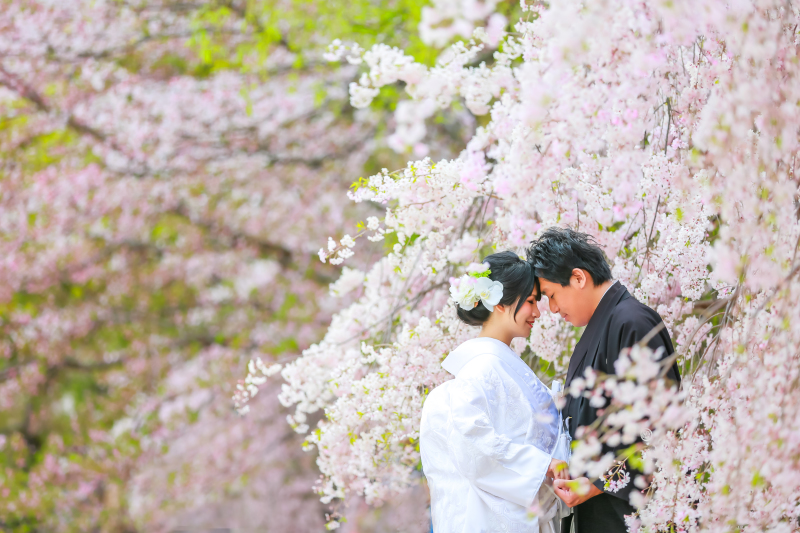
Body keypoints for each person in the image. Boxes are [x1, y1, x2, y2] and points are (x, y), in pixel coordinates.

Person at [526, 227, 681, 533]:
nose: (553, 309)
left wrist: (598, 483)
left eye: (553, 295)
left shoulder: (631, 322)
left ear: (579, 278)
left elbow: (658, 424)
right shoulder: (607, 323)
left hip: (630, 513)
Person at [420, 251, 570, 533]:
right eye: (530, 302)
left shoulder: (494, 365)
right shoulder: (482, 368)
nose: (537, 313)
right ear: (499, 303)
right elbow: (473, 446)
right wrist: (543, 463)